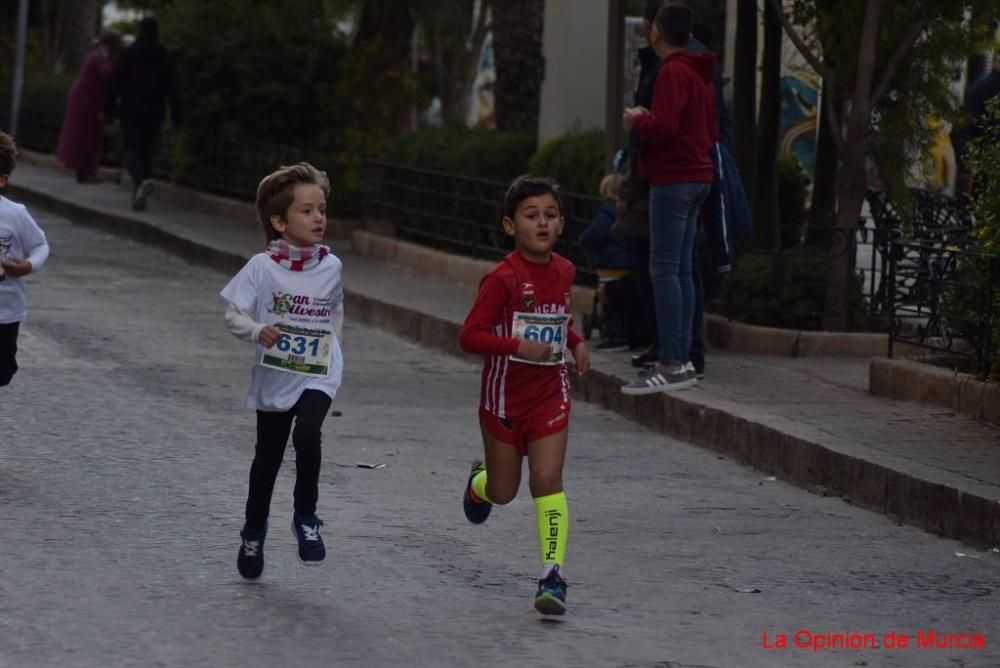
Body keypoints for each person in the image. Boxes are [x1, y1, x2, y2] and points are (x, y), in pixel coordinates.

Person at [458, 175, 590, 616]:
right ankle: (479, 485)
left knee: (547, 482)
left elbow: (556, 319)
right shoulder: (501, 278)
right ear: (510, 225)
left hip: (550, 393)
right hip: (503, 401)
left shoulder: (566, 271)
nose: (542, 224)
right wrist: (517, 347)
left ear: (562, 224)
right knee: (504, 490)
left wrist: (575, 342)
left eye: (550, 216)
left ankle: (552, 575)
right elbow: (469, 336)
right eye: (531, 216)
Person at [220, 163, 345, 579]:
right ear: (279, 221)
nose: (318, 219)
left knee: (308, 433)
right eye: (307, 211)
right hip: (276, 373)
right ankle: (253, 531)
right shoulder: (261, 267)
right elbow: (232, 315)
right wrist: (258, 331)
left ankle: (306, 517)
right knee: (267, 460)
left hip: (317, 371)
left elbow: (336, 307)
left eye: (322, 209)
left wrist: (331, 346)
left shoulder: (332, 266)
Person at [621, 2, 717, 394]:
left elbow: (665, 128)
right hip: (697, 177)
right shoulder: (699, 71)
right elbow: (706, 129)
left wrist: (638, 119)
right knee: (680, 270)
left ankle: (673, 362)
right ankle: (683, 360)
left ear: (656, 32)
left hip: (674, 179)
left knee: (664, 270)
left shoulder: (672, 71)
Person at [105, 16, 181, 211]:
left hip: (130, 110)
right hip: (155, 111)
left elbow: (115, 82)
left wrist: (108, 109)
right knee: (146, 151)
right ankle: (142, 188)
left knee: (130, 149)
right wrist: (177, 114)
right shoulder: (163, 55)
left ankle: (139, 182)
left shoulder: (129, 54)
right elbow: (173, 87)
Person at [0, 131, 51, 387]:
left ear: (2, 180)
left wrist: (28, 265)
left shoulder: (15, 214)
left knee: (2, 374)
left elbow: (41, 244)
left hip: (5, 311)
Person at [579, 173, 641, 350]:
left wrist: (583, 241)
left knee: (608, 300)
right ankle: (621, 332)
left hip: (610, 264)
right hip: (627, 263)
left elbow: (595, 234)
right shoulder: (627, 211)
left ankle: (614, 334)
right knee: (620, 300)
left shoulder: (605, 212)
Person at [57, 30, 123, 183]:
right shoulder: (100, 56)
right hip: (86, 101)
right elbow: (107, 74)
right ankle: (86, 171)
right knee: (87, 136)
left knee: (90, 136)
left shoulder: (98, 54)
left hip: (89, 100)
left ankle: (88, 171)